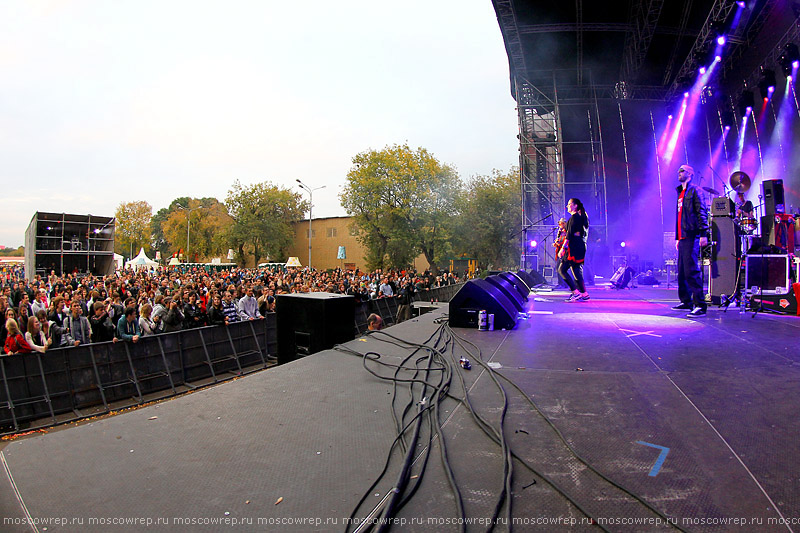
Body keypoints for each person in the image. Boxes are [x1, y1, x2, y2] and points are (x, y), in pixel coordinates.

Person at [672, 164, 709, 316]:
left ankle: (700, 304)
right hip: (682, 236)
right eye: (678, 170)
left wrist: (703, 233)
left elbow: (701, 211)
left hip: (692, 235)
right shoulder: (680, 193)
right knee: (681, 271)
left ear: (690, 174)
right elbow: (679, 218)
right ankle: (686, 301)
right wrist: (676, 237)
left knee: (691, 270)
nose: (679, 173)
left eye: (682, 171)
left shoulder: (695, 190)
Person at [558, 198, 590, 301]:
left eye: (569, 204)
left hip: (574, 247)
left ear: (575, 206)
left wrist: (563, 248)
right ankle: (584, 293)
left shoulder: (574, 218)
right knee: (576, 270)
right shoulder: (578, 218)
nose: (567, 206)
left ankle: (575, 292)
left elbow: (570, 235)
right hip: (579, 246)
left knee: (562, 270)